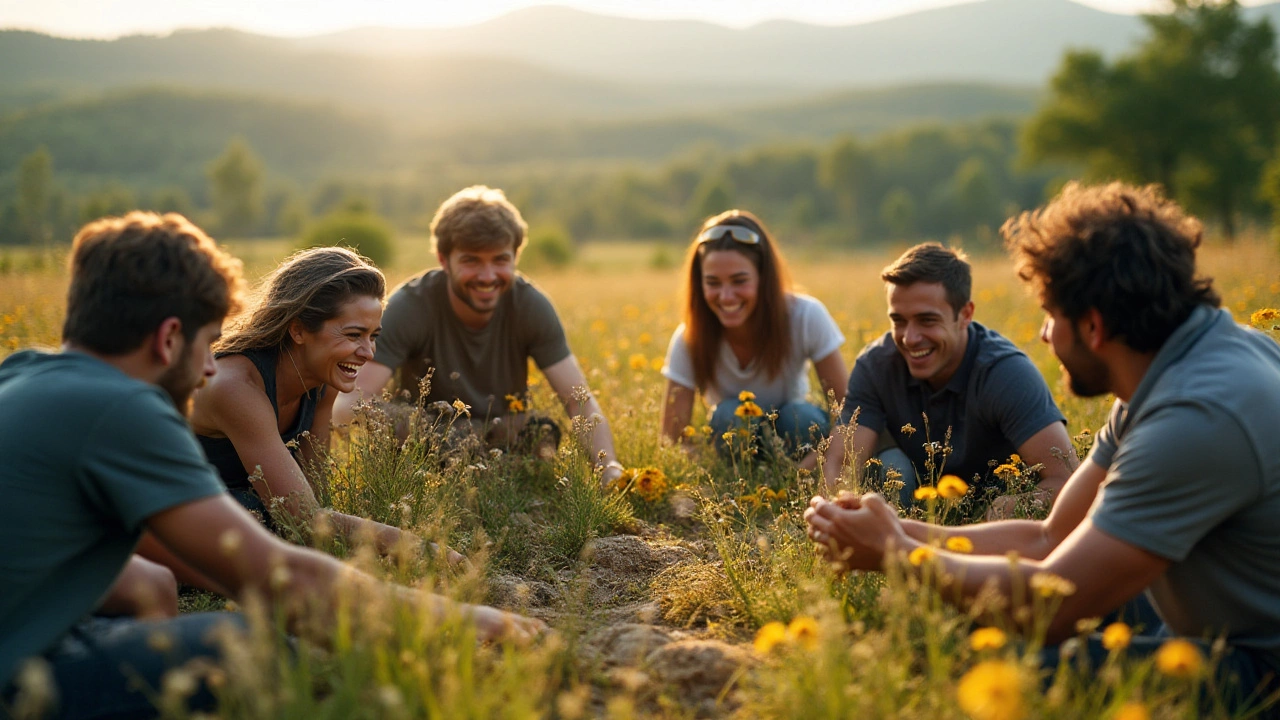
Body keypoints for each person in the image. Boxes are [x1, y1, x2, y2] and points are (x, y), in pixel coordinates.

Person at [0, 212, 542, 719]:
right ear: (168, 338)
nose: (209, 369)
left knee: (151, 587)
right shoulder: (124, 405)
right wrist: (453, 617)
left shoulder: (21, 371)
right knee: (252, 648)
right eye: (207, 344)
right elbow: (283, 574)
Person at [804, 182, 1280, 715]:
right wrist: (896, 531)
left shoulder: (1197, 417)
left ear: (1095, 326)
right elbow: (1052, 535)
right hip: (1215, 626)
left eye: (1051, 315)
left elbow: (1054, 603)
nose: (1046, 334)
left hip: (1261, 670)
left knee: (1011, 670)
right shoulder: (1173, 365)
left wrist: (897, 555)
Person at [334, 186, 623, 485]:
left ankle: (498, 477)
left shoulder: (530, 305)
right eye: (471, 261)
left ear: (515, 257)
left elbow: (579, 401)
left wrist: (609, 469)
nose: (487, 276)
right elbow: (350, 404)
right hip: (430, 439)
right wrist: (425, 432)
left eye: (500, 260)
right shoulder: (410, 306)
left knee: (542, 432)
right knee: (402, 423)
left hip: (502, 435)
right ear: (444, 259)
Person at [189, 247, 459, 562]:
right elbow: (303, 519)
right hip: (174, 517)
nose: (368, 352)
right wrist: (419, 548)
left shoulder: (321, 380)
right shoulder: (237, 386)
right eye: (354, 334)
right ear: (299, 329)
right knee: (255, 518)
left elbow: (314, 501)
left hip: (242, 515)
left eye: (373, 336)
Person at [820, 242, 1076, 512]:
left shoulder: (1006, 373)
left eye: (927, 320)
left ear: (965, 315)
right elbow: (841, 464)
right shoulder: (876, 365)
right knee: (893, 469)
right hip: (913, 498)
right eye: (899, 321)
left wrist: (1008, 507)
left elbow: (1065, 480)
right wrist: (835, 512)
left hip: (989, 500)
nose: (910, 338)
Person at [659, 210, 847, 467]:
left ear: (764, 279)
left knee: (800, 418)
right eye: (713, 283)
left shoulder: (806, 316)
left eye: (739, 281)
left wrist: (810, 469)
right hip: (733, 449)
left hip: (798, 441)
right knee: (728, 416)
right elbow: (671, 438)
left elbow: (848, 416)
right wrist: (710, 474)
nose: (726, 296)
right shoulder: (688, 338)